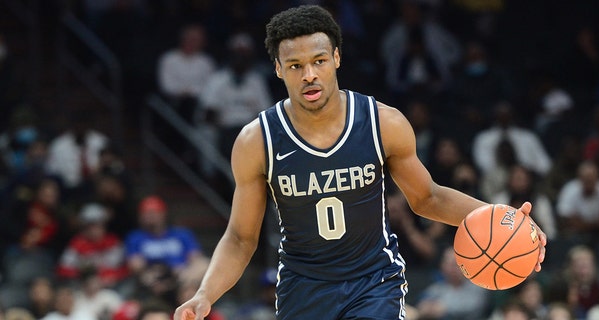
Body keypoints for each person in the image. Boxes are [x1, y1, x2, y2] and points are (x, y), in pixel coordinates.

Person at [174, 5, 547, 320]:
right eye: (295, 65)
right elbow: (241, 238)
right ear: (277, 68)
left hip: (374, 280)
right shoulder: (257, 140)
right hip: (303, 286)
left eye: (319, 61)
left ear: (336, 57)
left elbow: (428, 198)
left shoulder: (383, 122)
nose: (309, 75)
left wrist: (507, 221)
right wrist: (206, 294)